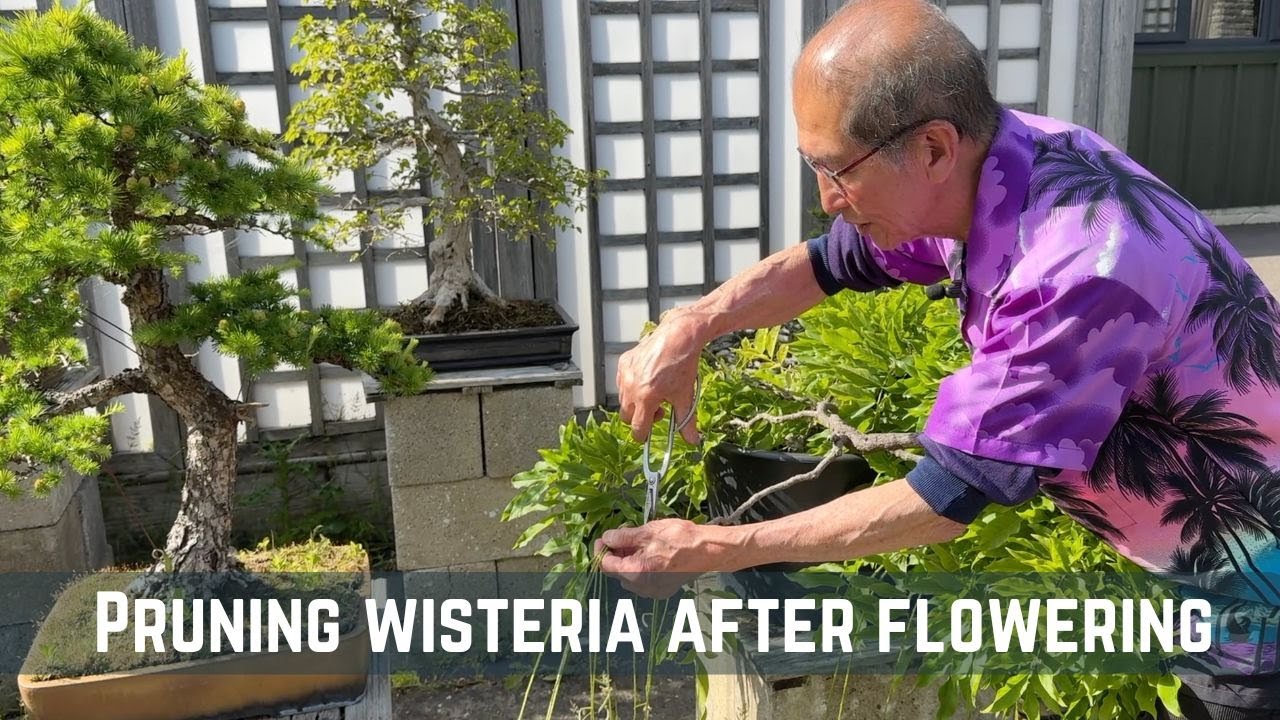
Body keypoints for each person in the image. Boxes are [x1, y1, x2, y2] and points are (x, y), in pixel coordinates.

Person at [596, 0, 1280, 717]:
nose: (827, 199)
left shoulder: (1076, 269)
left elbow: (944, 497)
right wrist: (692, 325)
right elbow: (830, 264)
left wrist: (714, 548)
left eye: (837, 170)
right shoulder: (996, 168)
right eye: (812, 164)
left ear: (932, 148)